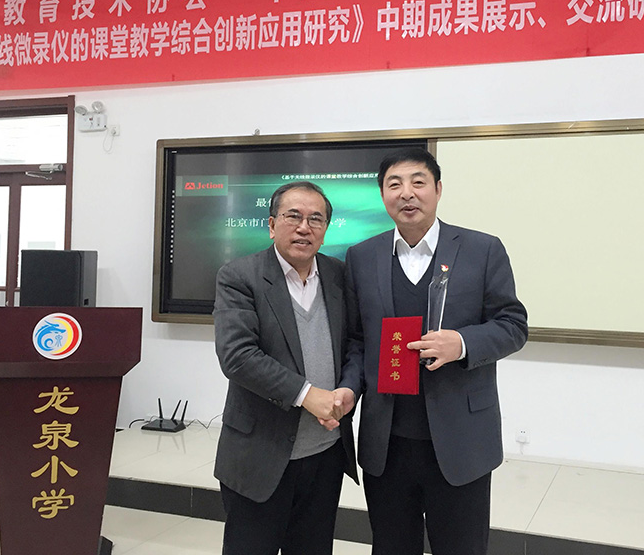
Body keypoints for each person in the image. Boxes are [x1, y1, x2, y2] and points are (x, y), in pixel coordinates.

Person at [340, 147, 528, 555]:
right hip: (387, 441)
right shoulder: (361, 257)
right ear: (382, 194)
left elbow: (513, 325)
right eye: (394, 184)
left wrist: (462, 343)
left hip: (461, 440)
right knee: (391, 547)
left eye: (418, 182)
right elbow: (356, 339)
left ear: (438, 189)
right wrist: (349, 389)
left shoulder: (482, 249)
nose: (406, 193)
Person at [213, 181, 358, 555]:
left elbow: (355, 344)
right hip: (260, 454)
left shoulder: (339, 275)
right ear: (271, 224)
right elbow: (238, 356)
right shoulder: (239, 276)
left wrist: (349, 388)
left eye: (316, 219)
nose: (304, 227)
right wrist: (307, 395)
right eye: (293, 216)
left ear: (325, 229)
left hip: (325, 454)